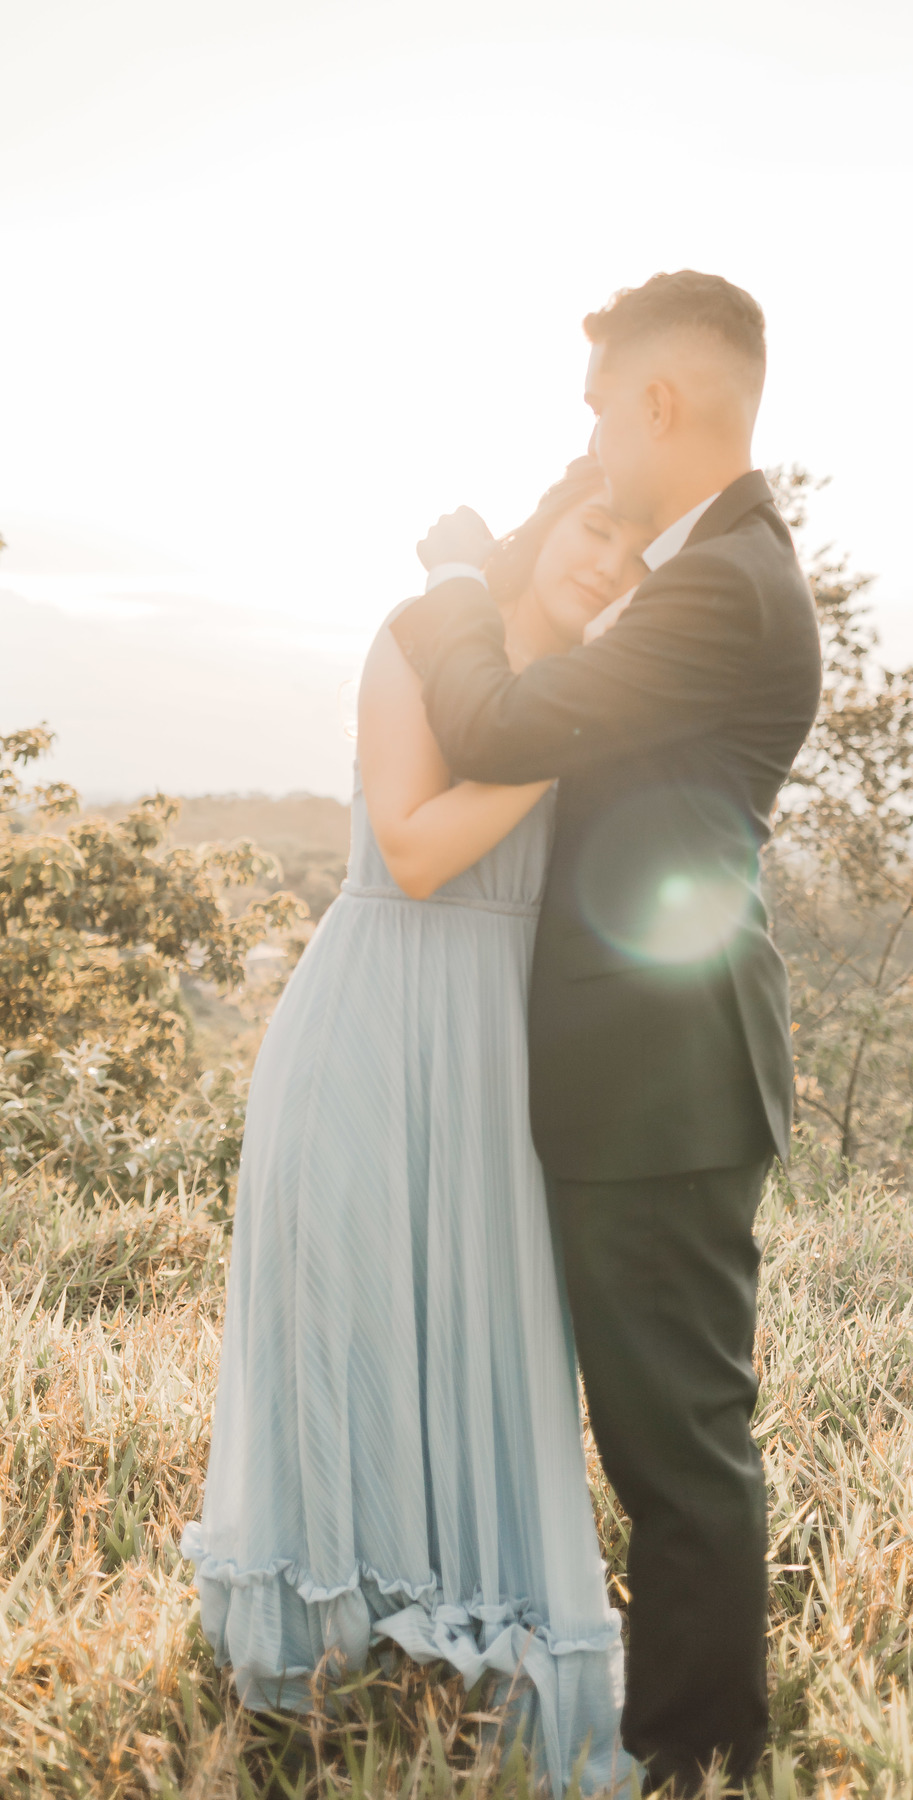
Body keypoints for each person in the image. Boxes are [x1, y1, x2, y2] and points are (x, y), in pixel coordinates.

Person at [391, 270, 823, 1794]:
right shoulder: (713, 561)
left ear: (657, 403)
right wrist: (521, 544)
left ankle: (696, 1760)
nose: (587, 439)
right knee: (672, 1442)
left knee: (682, 1455)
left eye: (595, 410)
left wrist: (450, 583)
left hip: (662, 1083)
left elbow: (510, 724)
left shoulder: (725, 583)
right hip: (649, 1072)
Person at [181, 460, 651, 1797]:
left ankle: (474, 1653)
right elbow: (419, 842)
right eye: (596, 523)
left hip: (504, 1050)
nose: (610, 559)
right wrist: (576, 727)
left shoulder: (585, 695)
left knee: (493, 1342)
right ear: (545, 524)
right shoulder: (424, 639)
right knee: (348, 1331)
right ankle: (323, 1666)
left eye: (637, 548)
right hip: (375, 1016)